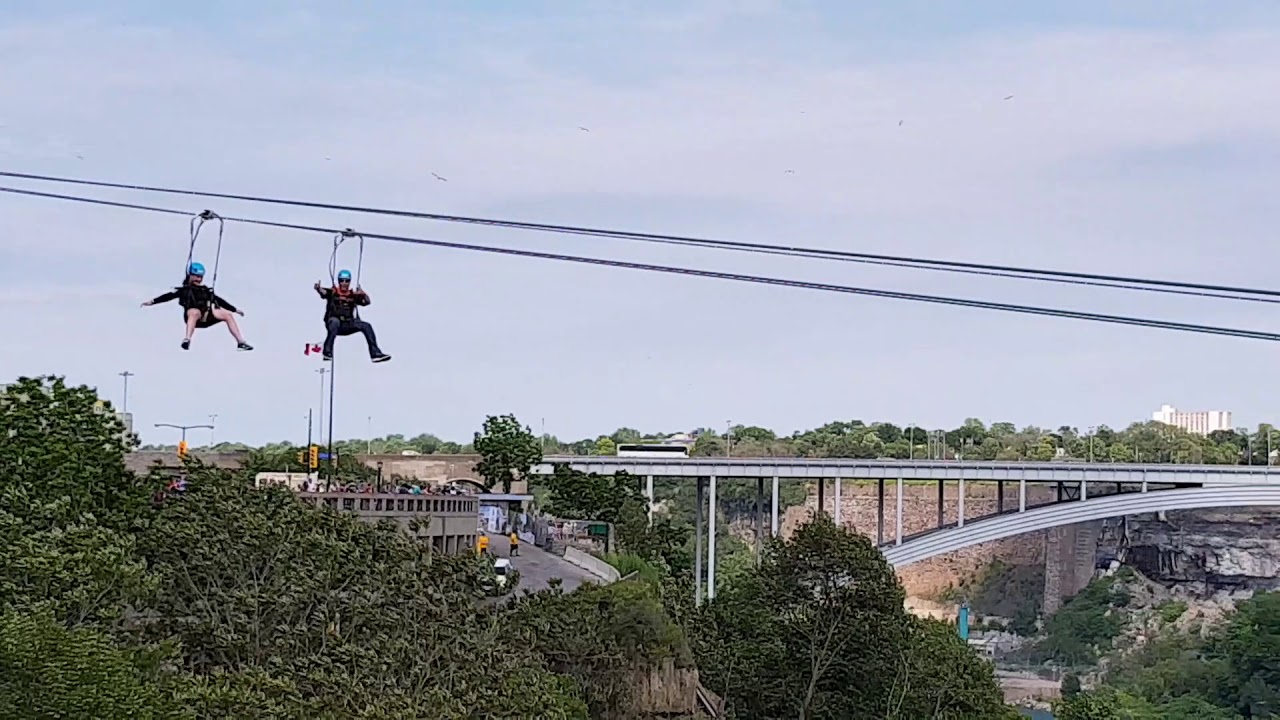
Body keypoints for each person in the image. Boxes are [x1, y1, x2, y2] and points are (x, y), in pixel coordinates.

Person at [143, 263, 253, 351]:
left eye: (200, 277)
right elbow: (168, 296)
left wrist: (235, 310)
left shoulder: (205, 290)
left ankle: (240, 342)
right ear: (190, 275)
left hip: (207, 316)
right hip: (194, 316)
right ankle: (187, 339)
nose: (198, 279)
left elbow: (220, 300)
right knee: (194, 312)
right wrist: (152, 302)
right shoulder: (184, 290)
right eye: (196, 277)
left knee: (227, 314)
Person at [314, 270, 390, 363]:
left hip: (347, 324)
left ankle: (375, 354)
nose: (344, 283)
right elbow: (323, 292)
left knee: (366, 326)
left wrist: (363, 294)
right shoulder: (332, 292)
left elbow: (366, 302)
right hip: (334, 324)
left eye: (346, 281)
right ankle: (327, 352)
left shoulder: (353, 295)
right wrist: (318, 289)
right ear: (339, 281)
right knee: (334, 322)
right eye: (342, 280)